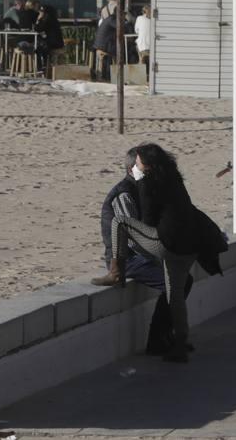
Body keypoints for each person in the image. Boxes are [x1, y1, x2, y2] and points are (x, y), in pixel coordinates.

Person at [93, 143, 227, 363]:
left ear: (144, 167)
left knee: (120, 223)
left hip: (161, 246)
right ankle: (176, 343)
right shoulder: (168, 180)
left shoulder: (146, 184)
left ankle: (116, 272)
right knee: (176, 292)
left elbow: (145, 223)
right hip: (184, 246)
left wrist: (144, 187)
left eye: (138, 163)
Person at [99, 146, 194, 355]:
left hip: (147, 251)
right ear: (135, 169)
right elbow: (132, 239)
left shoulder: (149, 187)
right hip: (129, 258)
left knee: (182, 280)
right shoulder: (124, 194)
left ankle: (167, 335)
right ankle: (156, 339)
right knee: (174, 284)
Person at [134, 5, 154, 76]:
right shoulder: (153, 21)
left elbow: (136, 31)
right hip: (152, 48)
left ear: (143, 12)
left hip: (142, 48)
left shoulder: (139, 18)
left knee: (140, 55)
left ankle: (141, 72)